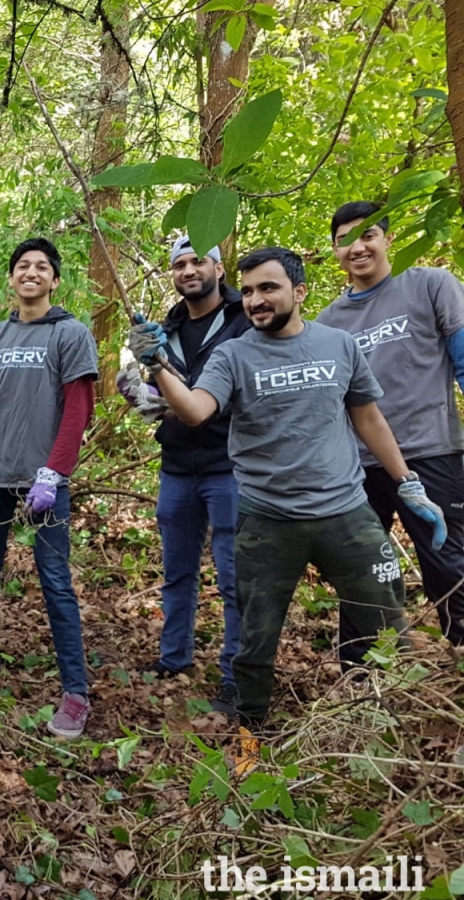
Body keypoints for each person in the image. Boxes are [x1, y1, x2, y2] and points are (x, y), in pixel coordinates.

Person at [131, 247, 446, 747]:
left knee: (386, 623)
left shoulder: (339, 345)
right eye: (250, 290)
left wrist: (407, 482)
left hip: (347, 515)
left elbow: (368, 418)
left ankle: (398, 724)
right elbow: (194, 411)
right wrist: (158, 365)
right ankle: (250, 735)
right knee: (255, 641)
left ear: (299, 292)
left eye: (268, 288)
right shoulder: (233, 354)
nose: (255, 300)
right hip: (267, 519)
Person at [0, 237, 99, 739]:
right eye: (22, 266)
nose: (31, 272)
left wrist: (54, 472)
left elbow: (78, 409)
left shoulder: (71, 334)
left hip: (43, 482)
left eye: (41, 267)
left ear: (54, 280)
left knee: (54, 577)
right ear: (12, 279)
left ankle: (75, 691)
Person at [316, 201, 464, 646]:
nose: (357, 248)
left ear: (387, 239)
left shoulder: (431, 285)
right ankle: (358, 679)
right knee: (360, 571)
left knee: (448, 561)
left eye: (367, 236)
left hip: (430, 451)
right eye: (344, 241)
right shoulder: (329, 323)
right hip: (359, 466)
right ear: (335, 251)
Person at [118, 235, 251, 715]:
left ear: (218, 267)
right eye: (179, 265)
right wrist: (144, 377)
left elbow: (241, 388)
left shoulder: (242, 320)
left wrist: (189, 400)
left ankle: (237, 674)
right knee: (177, 572)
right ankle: (174, 657)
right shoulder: (166, 328)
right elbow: (153, 389)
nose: (189, 271)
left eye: (198, 262)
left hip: (231, 465)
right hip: (177, 465)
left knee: (235, 575)